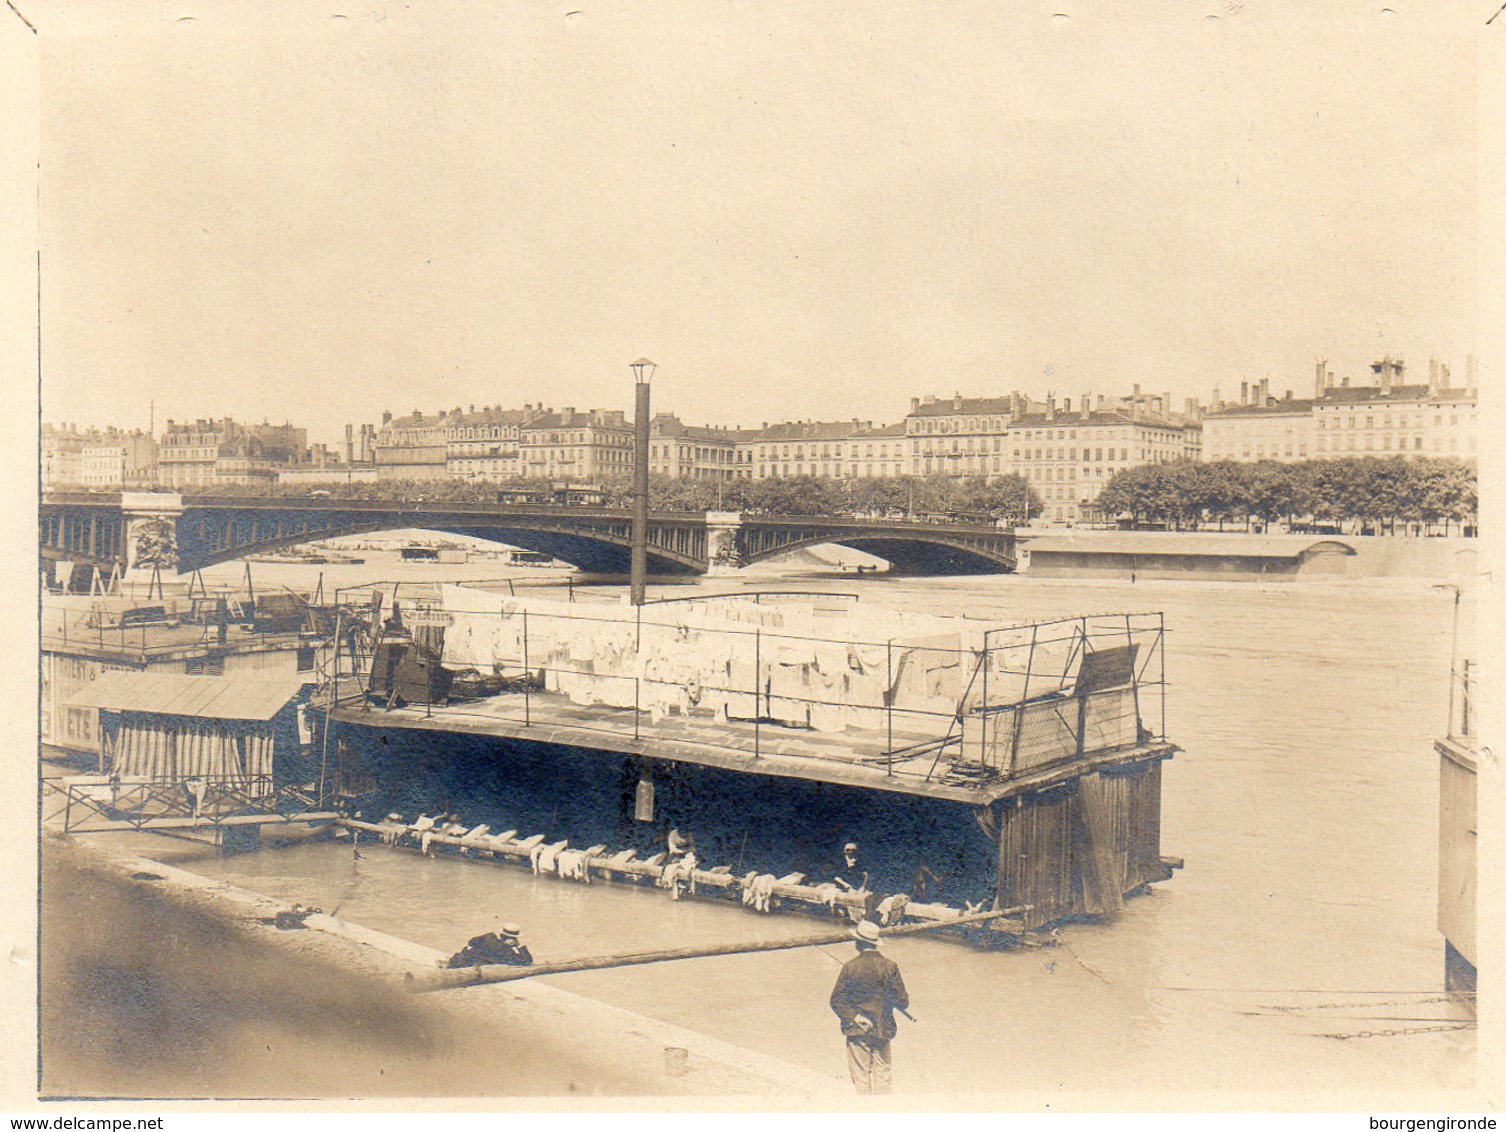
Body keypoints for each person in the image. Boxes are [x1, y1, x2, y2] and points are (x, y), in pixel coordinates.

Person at [829, 919, 909, 1094]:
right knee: (883, 1076)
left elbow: (836, 1000)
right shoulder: (890, 966)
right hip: (883, 1027)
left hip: (858, 1029)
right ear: (875, 944)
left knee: (861, 1077)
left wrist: (856, 1017)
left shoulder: (850, 966)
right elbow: (903, 1001)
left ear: (858, 942)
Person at [446, 923, 533, 969]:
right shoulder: (504, 950)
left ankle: (453, 961)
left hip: (464, 957)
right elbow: (526, 961)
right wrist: (519, 946)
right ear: (513, 939)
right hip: (470, 964)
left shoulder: (488, 937)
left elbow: (471, 942)